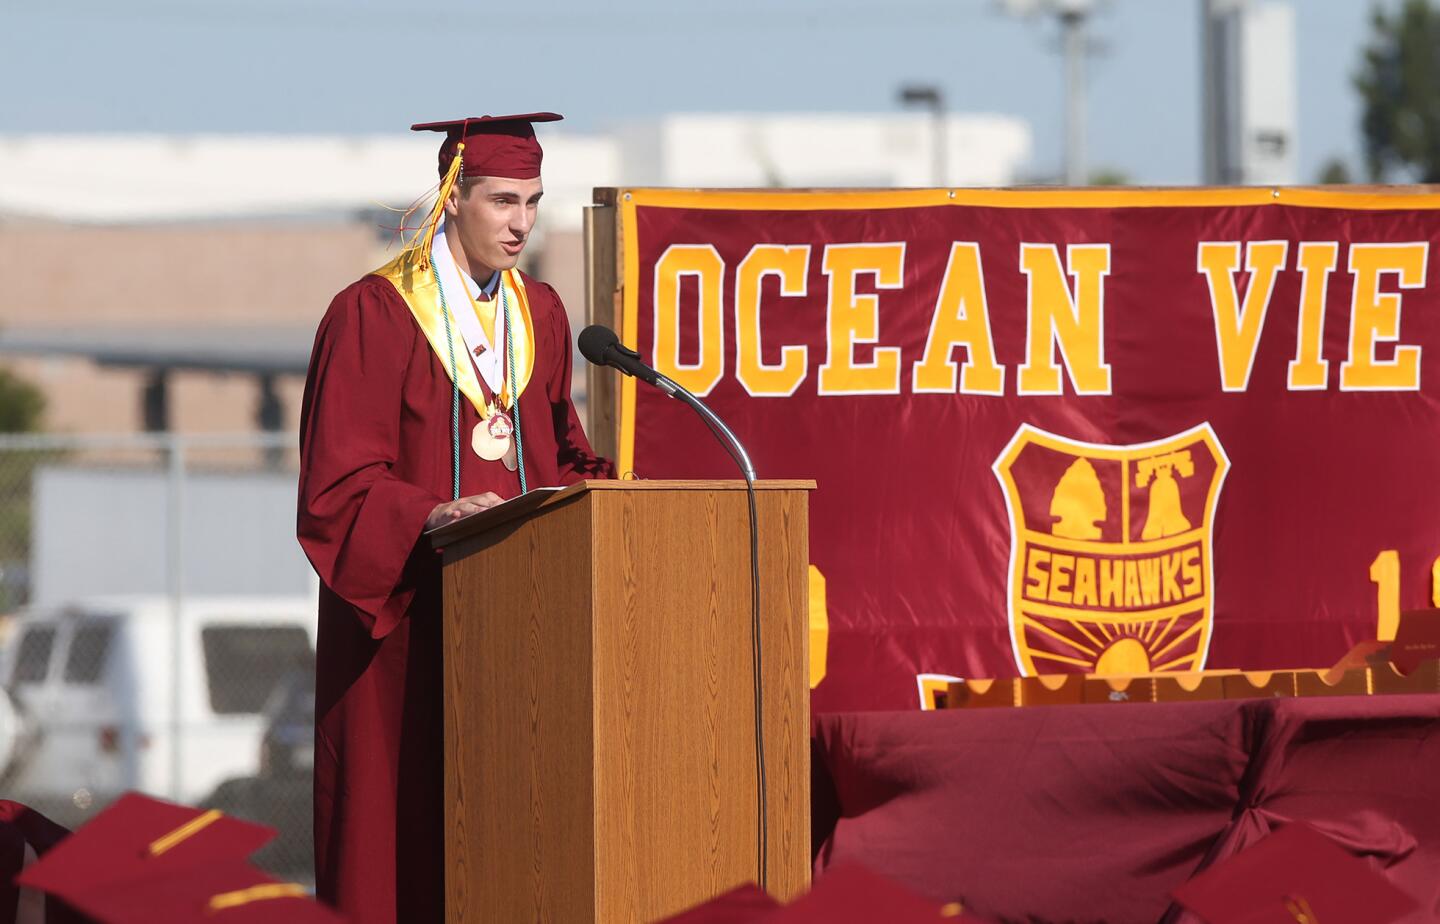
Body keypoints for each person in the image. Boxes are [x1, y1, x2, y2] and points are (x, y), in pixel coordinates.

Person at [296, 113, 614, 922]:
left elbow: (559, 450)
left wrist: (616, 495)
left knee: (518, 834)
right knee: (397, 838)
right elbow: (336, 486)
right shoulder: (373, 312)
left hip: (522, 623)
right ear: (452, 198)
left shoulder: (539, 311)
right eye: (503, 200)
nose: (522, 224)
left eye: (535, 202)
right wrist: (431, 512)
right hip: (405, 623)